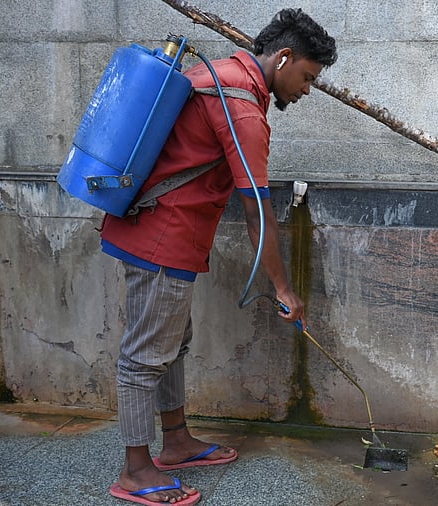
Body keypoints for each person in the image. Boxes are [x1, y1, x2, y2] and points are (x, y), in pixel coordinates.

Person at [102, 8, 337, 505]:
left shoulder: (218, 76)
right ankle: (136, 470)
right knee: (144, 357)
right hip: (161, 237)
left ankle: (177, 441)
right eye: (308, 77)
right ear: (284, 58)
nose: (308, 89)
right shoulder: (243, 108)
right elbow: (257, 210)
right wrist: (284, 288)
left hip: (167, 235)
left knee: (173, 344)